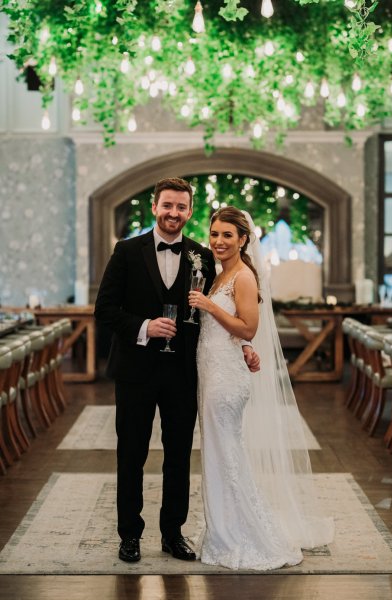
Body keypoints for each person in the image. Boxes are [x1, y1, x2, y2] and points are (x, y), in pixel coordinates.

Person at [94, 178, 259, 564]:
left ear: (189, 211)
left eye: (181, 207)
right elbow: (104, 310)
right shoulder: (126, 251)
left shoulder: (202, 255)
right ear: (155, 207)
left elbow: (220, 313)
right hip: (135, 371)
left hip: (184, 373)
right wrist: (144, 327)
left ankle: (173, 533)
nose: (173, 213)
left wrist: (246, 344)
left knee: (179, 456)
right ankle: (130, 536)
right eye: (167, 205)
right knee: (131, 455)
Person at [188, 206, 334, 570]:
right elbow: (238, 334)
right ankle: (224, 530)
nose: (218, 241)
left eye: (227, 235)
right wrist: (245, 345)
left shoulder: (243, 277)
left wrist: (209, 306)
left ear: (243, 240)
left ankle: (247, 536)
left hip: (226, 380)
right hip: (212, 372)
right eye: (215, 234)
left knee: (228, 455)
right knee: (218, 454)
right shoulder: (221, 275)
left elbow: (247, 327)